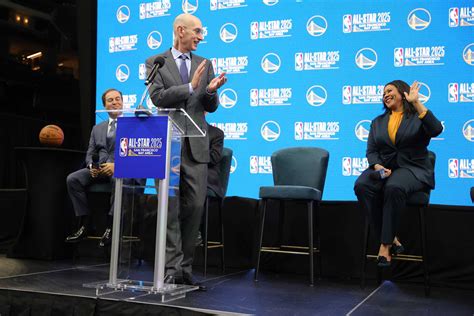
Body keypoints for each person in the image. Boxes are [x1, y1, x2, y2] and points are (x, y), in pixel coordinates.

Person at [145, 13, 227, 289]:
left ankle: (185, 268)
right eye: (197, 32)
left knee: (195, 207)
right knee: (169, 208)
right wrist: (189, 87)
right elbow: (157, 97)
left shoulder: (206, 64)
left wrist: (211, 91)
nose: (200, 37)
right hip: (166, 145)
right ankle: (172, 268)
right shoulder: (156, 62)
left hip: (196, 145)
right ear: (180, 31)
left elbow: (209, 106)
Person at [354, 80, 443, 267]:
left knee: (394, 186)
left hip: (413, 168)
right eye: (383, 92)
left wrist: (417, 103)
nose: (385, 94)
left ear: (402, 94)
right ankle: (392, 238)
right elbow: (371, 151)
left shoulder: (417, 117)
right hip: (385, 168)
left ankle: (385, 245)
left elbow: (436, 129)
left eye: (389, 90)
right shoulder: (377, 122)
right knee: (362, 186)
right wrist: (377, 166)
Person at [65, 89, 142, 247]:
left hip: (121, 169)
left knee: (117, 178)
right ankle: (85, 224)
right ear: (105, 106)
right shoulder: (97, 128)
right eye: (110, 100)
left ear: (122, 102)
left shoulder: (133, 126)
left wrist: (117, 166)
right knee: (72, 179)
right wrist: (91, 166)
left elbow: (137, 154)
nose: (114, 102)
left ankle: (111, 227)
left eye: (117, 99)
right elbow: (90, 153)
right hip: (99, 169)